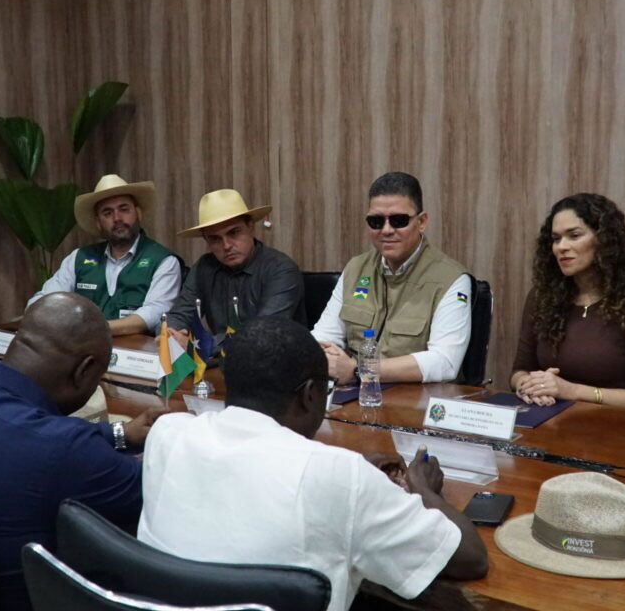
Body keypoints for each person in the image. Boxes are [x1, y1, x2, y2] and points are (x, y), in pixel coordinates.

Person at [138, 316, 487, 611]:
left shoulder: (167, 434)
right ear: (310, 395)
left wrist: (347, 472)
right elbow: (470, 558)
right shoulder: (341, 478)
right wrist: (424, 488)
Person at [0, 293, 167, 611]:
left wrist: (120, 433)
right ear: (84, 371)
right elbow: (165, 493)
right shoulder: (65, 452)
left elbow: (24, 434)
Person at [511, 193, 625, 411]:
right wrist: (528, 385)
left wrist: (572, 391)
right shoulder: (542, 298)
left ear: (603, 240)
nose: (561, 247)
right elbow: (519, 371)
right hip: (547, 420)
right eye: (556, 239)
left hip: (614, 428)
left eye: (574, 236)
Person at [311, 172, 472, 384]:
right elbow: (322, 337)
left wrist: (359, 370)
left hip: (414, 402)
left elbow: (445, 362)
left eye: (398, 220)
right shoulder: (355, 269)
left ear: (421, 221)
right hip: (354, 396)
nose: (386, 230)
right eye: (376, 221)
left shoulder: (452, 279)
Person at [27, 174, 181, 336]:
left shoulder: (163, 260)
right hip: (81, 350)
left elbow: (155, 314)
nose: (117, 218)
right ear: (98, 222)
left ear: (138, 213)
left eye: (124, 209)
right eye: (107, 213)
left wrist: (91, 330)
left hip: (135, 355)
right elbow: (41, 302)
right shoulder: (79, 258)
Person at [165, 188, 305, 347]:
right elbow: (179, 315)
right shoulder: (205, 267)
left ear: (251, 228)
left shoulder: (281, 269)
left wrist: (202, 344)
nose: (226, 245)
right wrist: (171, 334)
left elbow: (263, 333)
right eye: (215, 239)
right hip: (222, 361)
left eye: (234, 233)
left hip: (276, 362)